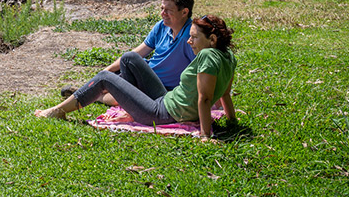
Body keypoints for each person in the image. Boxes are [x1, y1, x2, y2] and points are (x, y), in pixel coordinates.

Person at [36, 15, 237, 139]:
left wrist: (204, 135)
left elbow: (206, 98)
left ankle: (59, 110)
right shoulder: (228, 56)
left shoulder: (207, 56)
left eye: (194, 37)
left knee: (105, 77)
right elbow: (225, 94)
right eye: (189, 36)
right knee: (130, 58)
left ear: (212, 39)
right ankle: (126, 102)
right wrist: (232, 120)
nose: (189, 41)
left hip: (161, 115)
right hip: (165, 101)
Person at [64, 0, 196, 105]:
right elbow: (138, 53)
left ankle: (93, 95)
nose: (163, 13)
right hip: (143, 76)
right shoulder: (161, 27)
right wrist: (107, 70)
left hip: (162, 88)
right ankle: (89, 90)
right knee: (118, 77)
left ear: (184, 12)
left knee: (120, 97)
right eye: (162, 9)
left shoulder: (192, 37)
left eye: (168, 11)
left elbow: (202, 71)